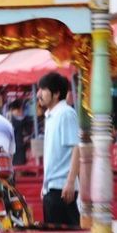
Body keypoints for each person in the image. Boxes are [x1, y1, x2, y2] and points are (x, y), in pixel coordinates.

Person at [36, 72, 80, 225]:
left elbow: (76, 148)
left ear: (56, 94)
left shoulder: (66, 113)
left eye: (43, 89)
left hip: (62, 188)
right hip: (52, 188)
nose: (38, 94)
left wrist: (70, 182)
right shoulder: (51, 115)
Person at [8, 99, 32, 166]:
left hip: (17, 147)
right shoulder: (18, 120)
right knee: (18, 166)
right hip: (18, 147)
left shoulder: (10, 119)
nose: (21, 112)